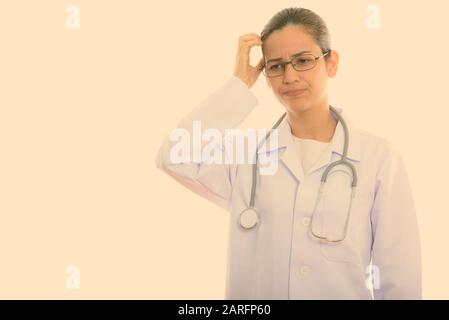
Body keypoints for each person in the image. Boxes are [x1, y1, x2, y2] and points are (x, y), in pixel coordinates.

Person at [155, 7, 421, 299]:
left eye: (303, 61)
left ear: (331, 63)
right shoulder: (247, 156)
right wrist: (238, 86)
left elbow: (400, 275)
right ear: (265, 75)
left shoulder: (378, 158)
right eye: (276, 66)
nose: (290, 76)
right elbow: (173, 155)